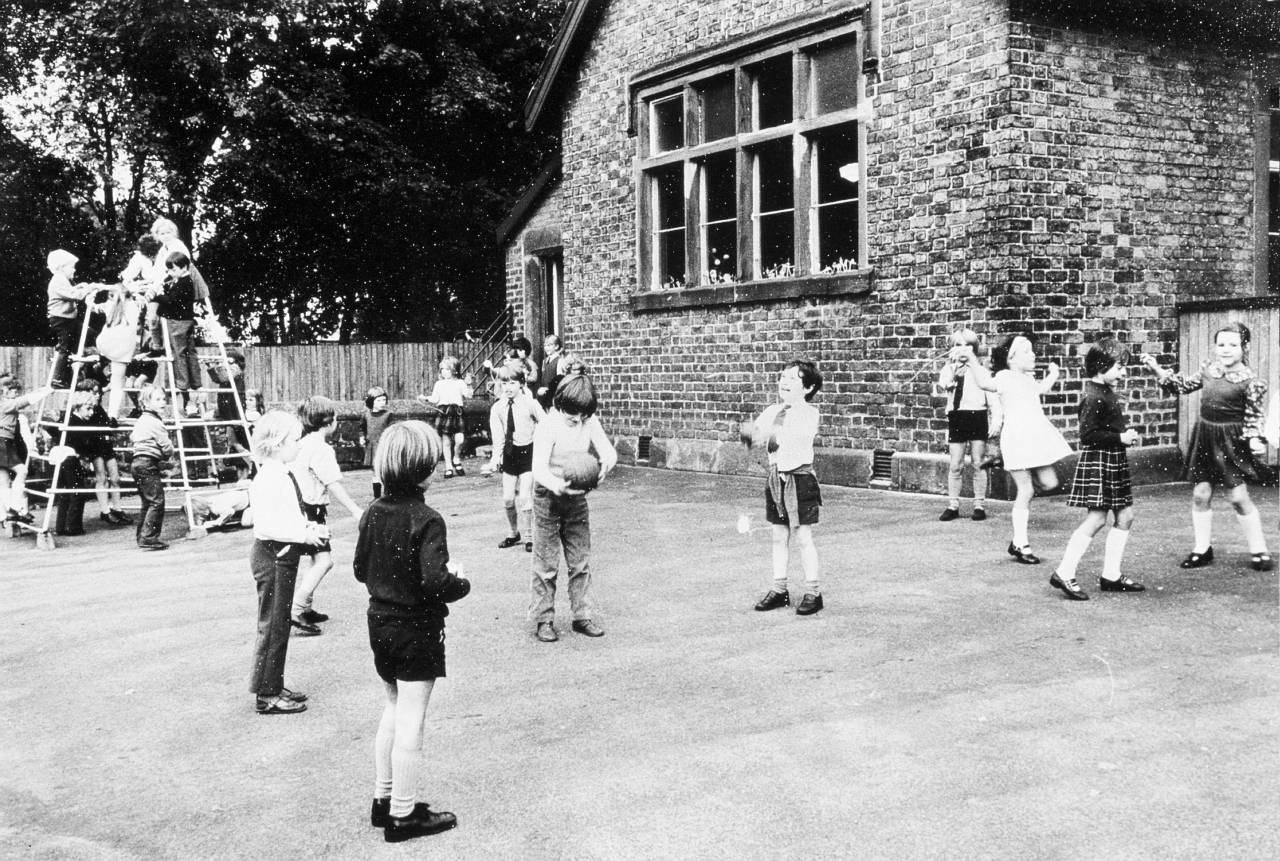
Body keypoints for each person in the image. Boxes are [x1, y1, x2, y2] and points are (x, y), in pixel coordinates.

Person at [354, 421, 469, 841]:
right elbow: (437, 582)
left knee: (392, 708)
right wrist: (460, 580)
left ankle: (384, 799)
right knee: (412, 720)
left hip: (379, 622)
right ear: (427, 469)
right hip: (416, 628)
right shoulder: (428, 519)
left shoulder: (371, 513)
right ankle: (404, 815)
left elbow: (359, 569)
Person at [1141, 322, 1273, 572]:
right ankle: (1202, 549)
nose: (1226, 350)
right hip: (1205, 438)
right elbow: (1180, 387)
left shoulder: (1251, 381)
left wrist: (1255, 438)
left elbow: (1255, 416)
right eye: (1221, 344)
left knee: (1238, 497)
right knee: (1200, 494)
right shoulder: (1209, 370)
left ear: (1245, 347)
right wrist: (1156, 368)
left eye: (1233, 345)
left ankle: (1259, 550)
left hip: (1232, 443)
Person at [1049, 338, 1150, 600]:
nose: (1124, 372)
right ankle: (1064, 571)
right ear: (1100, 367)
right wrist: (1121, 438)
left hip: (1112, 460)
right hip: (1101, 461)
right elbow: (1088, 435)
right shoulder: (1093, 396)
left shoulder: (1104, 391)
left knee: (1125, 516)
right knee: (1097, 519)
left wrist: (1121, 436)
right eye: (1119, 367)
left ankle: (1111, 576)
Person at [959, 333, 1071, 564]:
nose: (1033, 355)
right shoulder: (1005, 377)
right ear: (1011, 357)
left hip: (1035, 439)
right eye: (1026, 351)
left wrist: (1054, 374)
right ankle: (1020, 544)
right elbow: (984, 383)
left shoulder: (1028, 379)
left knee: (1050, 483)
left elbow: (1041, 391)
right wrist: (971, 358)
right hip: (1018, 439)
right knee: (1026, 491)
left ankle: (1005, 464)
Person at [247, 410, 327, 716]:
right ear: (278, 443)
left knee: (278, 625)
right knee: (273, 627)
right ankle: (267, 694)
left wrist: (308, 529)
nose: (299, 444)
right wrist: (304, 536)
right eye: (295, 440)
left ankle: (273, 684)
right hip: (274, 555)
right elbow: (267, 526)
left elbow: (288, 517)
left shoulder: (280, 473)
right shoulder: (269, 478)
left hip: (282, 554)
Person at [529, 374, 618, 642]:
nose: (578, 421)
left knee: (580, 560)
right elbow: (538, 469)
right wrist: (557, 486)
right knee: (546, 562)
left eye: (583, 415)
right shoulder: (548, 425)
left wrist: (604, 468)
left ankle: (582, 616)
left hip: (576, 497)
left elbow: (609, 452)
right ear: (559, 405)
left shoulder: (588, 421)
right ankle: (543, 620)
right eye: (572, 415)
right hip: (548, 494)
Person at [749, 359, 826, 616]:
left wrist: (771, 426)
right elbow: (753, 435)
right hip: (776, 479)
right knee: (778, 536)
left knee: (803, 537)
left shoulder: (809, 413)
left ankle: (814, 592)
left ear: (808, 388)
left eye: (793, 379)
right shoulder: (773, 410)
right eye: (783, 377)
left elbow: (795, 436)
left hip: (800, 480)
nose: (785, 382)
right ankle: (779, 589)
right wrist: (748, 433)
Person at [289, 395, 364, 635]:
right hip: (311, 509)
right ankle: (296, 609)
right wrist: (355, 510)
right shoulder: (321, 448)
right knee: (324, 561)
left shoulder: (302, 443)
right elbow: (332, 482)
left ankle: (306, 607)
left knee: (316, 559)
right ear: (329, 422)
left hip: (301, 507)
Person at [936, 329, 1002, 521]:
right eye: (958, 346)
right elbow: (945, 384)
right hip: (958, 417)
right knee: (955, 464)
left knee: (978, 462)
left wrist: (996, 419)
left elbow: (992, 398)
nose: (963, 350)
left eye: (967, 346)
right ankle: (953, 504)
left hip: (977, 416)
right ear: (951, 349)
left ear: (974, 349)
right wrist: (953, 375)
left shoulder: (981, 372)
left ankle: (979, 505)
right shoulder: (948, 370)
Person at [485, 362, 544, 551]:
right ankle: (513, 533)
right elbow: (498, 437)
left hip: (528, 452)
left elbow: (545, 423)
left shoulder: (530, 403)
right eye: (504, 383)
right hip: (510, 455)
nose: (508, 388)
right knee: (508, 499)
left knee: (525, 496)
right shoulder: (498, 408)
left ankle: (529, 536)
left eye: (512, 383)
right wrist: (496, 459)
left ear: (521, 383)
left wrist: (539, 439)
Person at [65, 381, 130, 525]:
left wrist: (111, 422)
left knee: (115, 477)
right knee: (101, 477)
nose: (97, 395)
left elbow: (107, 423)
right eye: (94, 392)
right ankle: (105, 511)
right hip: (94, 446)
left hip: (105, 444)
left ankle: (117, 509)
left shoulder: (97, 408)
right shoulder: (83, 408)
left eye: (99, 392)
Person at [155, 251, 204, 417]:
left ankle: (183, 386)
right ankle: (195, 384)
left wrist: (158, 295)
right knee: (189, 353)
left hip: (177, 323)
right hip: (186, 321)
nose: (170, 273)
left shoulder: (184, 282)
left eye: (173, 269)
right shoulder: (181, 281)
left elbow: (171, 301)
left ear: (183, 267)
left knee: (178, 354)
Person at [129, 384, 174, 550]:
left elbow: (133, 436)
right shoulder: (155, 422)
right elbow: (166, 445)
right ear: (146, 403)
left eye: (164, 399)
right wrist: (169, 453)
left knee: (147, 502)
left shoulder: (141, 420)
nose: (162, 402)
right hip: (148, 463)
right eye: (157, 399)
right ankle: (149, 537)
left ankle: (142, 535)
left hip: (137, 463)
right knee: (157, 501)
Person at [1, 377, 52, 523]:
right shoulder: (5, 404)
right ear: (3, 391)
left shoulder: (6, 403)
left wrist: (43, 389)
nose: (15, 393)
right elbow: (25, 401)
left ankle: (9, 512)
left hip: (5, 441)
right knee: (22, 471)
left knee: (3, 480)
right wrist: (47, 391)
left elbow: (24, 398)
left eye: (16, 390)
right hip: (2, 441)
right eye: (12, 390)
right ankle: (14, 508)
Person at [417, 356, 473, 477]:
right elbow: (435, 399)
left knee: (460, 439)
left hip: (457, 412)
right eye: (442, 369)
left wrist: (469, 385)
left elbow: (468, 396)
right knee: (446, 442)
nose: (444, 372)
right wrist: (425, 398)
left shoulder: (460, 383)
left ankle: (456, 458)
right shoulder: (439, 384)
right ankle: (448, 466)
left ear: (455, 370)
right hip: (444, 412)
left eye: (447, 369)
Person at [46, 249, 94, 389]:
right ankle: (57, 377)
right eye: (71, 267)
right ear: (61, 268)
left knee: (88, 333)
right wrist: (88, 289)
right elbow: (75, 295)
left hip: (68, 319)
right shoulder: (58, 281)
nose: (74, 270)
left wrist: (81, 286)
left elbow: (73, 290)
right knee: (64, 348)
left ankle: (78, 359)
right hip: (61, 320)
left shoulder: (63, 279)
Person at [360, 386, 393, 499]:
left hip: (384, 447)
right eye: (378, 400)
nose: (382, 403)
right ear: (371, 401)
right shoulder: (366, 415)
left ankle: (388, 495)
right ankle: (377, 498)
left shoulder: (388, 415)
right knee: (375, 473)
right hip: (372, 447)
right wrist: (362, 437)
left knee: (386, 472)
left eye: (384, 400)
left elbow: (392, 430)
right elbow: (362, 428)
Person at [535, 334, 564, 410]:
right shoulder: (544, 361)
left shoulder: (559, 360)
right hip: (544, 394)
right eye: (545, 346)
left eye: (549, 345)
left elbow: (559, 380)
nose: (546, 348)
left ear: (556, 346)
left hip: (553, 394)